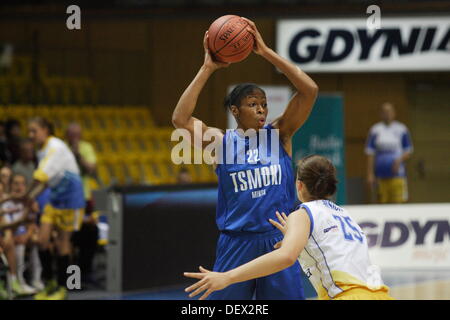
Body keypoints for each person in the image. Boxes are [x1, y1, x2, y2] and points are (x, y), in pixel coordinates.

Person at [172, 18, 318, 300]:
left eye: (264, 104)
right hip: (236, 243)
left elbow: (309, 90)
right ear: (235, 111)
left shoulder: (280, 135)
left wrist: (265, 52)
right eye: (253, 104)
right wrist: (207, 67)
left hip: (278, 241)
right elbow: (180, 119)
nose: (261, 110)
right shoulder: (222, 142)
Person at [184, 155, 394, 300]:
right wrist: (296, 238)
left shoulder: (302, 213)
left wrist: (227, 277)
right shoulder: (344, 214)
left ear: (299, 185)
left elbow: (286, 257)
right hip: (381, 293)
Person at [1, 117, 85, 300]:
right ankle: (49, 284)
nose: (30, 135)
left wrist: (24, 197)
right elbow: (45, 183)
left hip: (71, 199)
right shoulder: (41, 151)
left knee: (64, 244)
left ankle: (64, 288)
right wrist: (28, 199)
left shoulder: (55, 147)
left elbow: (40, 178)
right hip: (55, 198)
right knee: (42, 241)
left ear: (46, 130)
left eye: (34, 131)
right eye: (29, 131)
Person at [65, 122, 99, 287]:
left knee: (91, 234)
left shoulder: (86, 147)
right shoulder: (61, 149)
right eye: (72, 135)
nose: (75, 138)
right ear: (67, 135)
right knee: (70, 239)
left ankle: (85, 273)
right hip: (67, 201)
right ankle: (72, 280)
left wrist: (78, 155)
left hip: (84, 199)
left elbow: (91, 168)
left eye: (77, 134)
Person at [365, 102, 413, 204]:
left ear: (394, 113)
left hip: (398, 176)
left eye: (389, 111)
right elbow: (370, 153)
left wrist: (399, 160)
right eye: (384, 111)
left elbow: (408, 151)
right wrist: (370, 174)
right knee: (381, 204)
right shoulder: (375, 130)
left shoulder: (401, 129)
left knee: (398, 204)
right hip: (380, 176)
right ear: (381, 114)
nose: (387, 114)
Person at [0, 174, 40, 295]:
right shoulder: (6, 201)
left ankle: (35, 279)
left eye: (22, 184)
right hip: (12, 234)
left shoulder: (29, 201)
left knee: (34, 239)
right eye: (16, 183)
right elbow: (7, 225)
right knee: (15, 242)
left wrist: (28, 233)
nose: (19, 187)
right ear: (10, 185)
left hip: (19, 234)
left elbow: (32, 223)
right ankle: (18, 281)